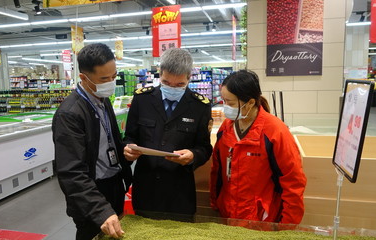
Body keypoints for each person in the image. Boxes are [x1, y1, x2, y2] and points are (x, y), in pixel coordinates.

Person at [52, 43, 132, 240]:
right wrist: (100, 210)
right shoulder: (69, 115)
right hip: (90, 194)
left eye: (114, 76)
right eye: (104, 79)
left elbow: (106, 141)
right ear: (83, 78)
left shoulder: (102, 100)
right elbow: (71, 172)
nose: (111, 83)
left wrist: (125, 151)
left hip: (113, 184)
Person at [123, 48, 213, 217]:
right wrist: (127, 148)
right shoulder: (142, 100)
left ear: (189, 77)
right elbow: (129, 136)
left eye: (179, 84)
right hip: (146, 188)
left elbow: (204, 148)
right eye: (166, 82)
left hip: (179, 190)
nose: (172, 88)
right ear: (160, 73)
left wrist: (193, 156)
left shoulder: (199, 106)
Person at [210, 70, 306, 224]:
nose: (225, 107)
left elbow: (293, 182)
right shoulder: (226, 128)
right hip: (228, 213)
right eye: (223, 101)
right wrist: (215, 202)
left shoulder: (275, 132)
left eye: (231, 103)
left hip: (262, 219)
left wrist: (287, 226)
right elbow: (217, 169)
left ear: (250, 103)